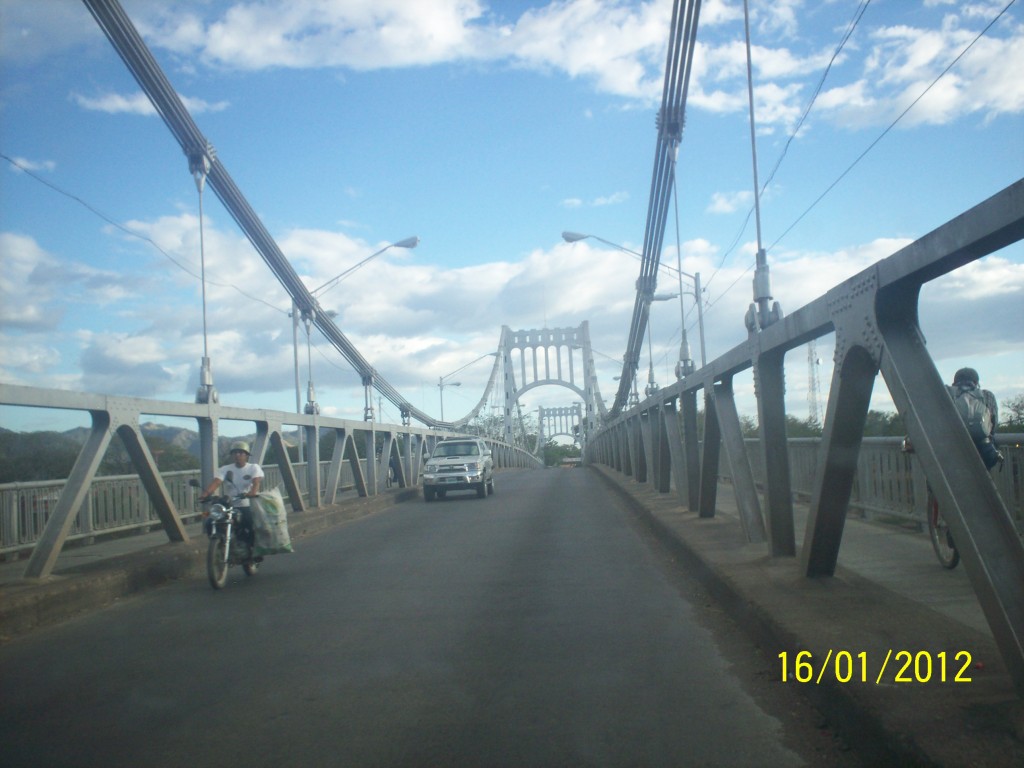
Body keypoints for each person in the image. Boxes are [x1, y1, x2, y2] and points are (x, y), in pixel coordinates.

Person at [200, 440, 264, 545]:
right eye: (235, 453)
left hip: (246, 504)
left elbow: (256, 482)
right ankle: (218, 545)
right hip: (229, 505)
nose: (237, 455)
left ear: (246, 455)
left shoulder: (253, 468)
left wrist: (252, 492)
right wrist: (205, 494)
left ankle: (253, 550)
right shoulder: (225, 469)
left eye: (240, 453)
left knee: (251, 525)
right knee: (210, 521)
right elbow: (216, 482)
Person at [948, 367, 1002, 470]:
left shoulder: (947, 394)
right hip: (982, 451)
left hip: (951, 450)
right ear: (976, 382)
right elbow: (993, 425)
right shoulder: (987, 395)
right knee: (982, 482)